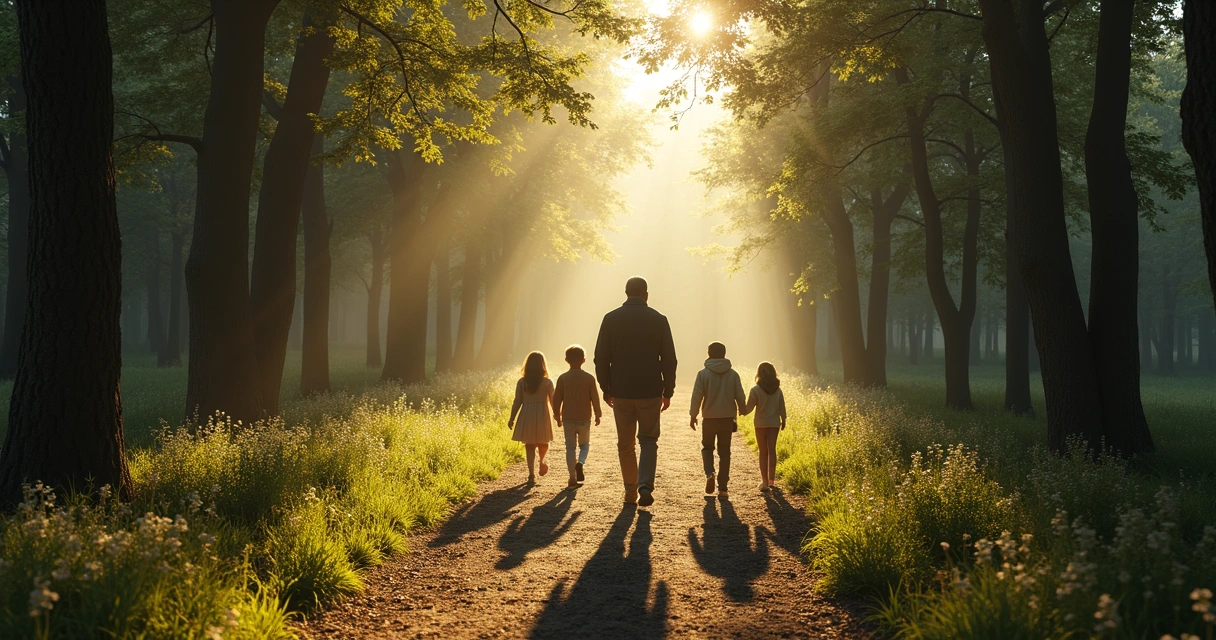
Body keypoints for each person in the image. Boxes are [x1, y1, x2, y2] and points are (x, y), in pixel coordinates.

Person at [594, 277, 677, 507]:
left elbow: (600, 357)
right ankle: (644, 486)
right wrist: (667, 390)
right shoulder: (659, 320)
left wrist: (606, 387)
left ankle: (630, 490)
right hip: (650, 390)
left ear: (626, 293)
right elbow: (669, 359)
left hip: (620, 391)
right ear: (646, 295)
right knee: (649, 440)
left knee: (625, 444)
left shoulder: (610, 319)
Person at [689, 342, 749, 498]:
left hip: (709, 418)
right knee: (724, 452)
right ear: (724, 354)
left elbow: (697, 395)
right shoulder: (733, 374)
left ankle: (710, 473)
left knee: (707, 447)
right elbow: (739, 394)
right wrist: (742, 409)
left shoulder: (703, 374)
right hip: (727, 418)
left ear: (708, 354)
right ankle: (723, 488)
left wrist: (693, 415)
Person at [553, 345, 603, 489]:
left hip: (568, 418)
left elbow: (557, 400)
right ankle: (580, 463)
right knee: (584, 445)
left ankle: (572, 479)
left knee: (570, 447)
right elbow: (595, 398)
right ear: (584, 360)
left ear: (566, 360)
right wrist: (598, 415)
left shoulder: (562, 378)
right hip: (584, 418)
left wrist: (557, 416)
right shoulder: (589, 378)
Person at [508, 351, 555, 484]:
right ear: (543, 365)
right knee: (543, 441)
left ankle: (531, 474)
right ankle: (542, 462)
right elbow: (553, 400)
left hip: (527, 412)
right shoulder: (547, 382)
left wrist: (512, 418)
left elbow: (517, 400)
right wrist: (558, 415)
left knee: (529, 445)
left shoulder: (522, 382)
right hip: (542, 413)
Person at [744, 362, 787, 492]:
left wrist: (741, 409)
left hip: (760, 424)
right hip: (774, 423)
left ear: (759, 374)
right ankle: (772, 480)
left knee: (763, 452)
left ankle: (764, 482)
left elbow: (749, 408)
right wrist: (783, 419)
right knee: (772, 450)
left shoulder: (755, 390)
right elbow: (782, 407)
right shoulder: (778, 390)